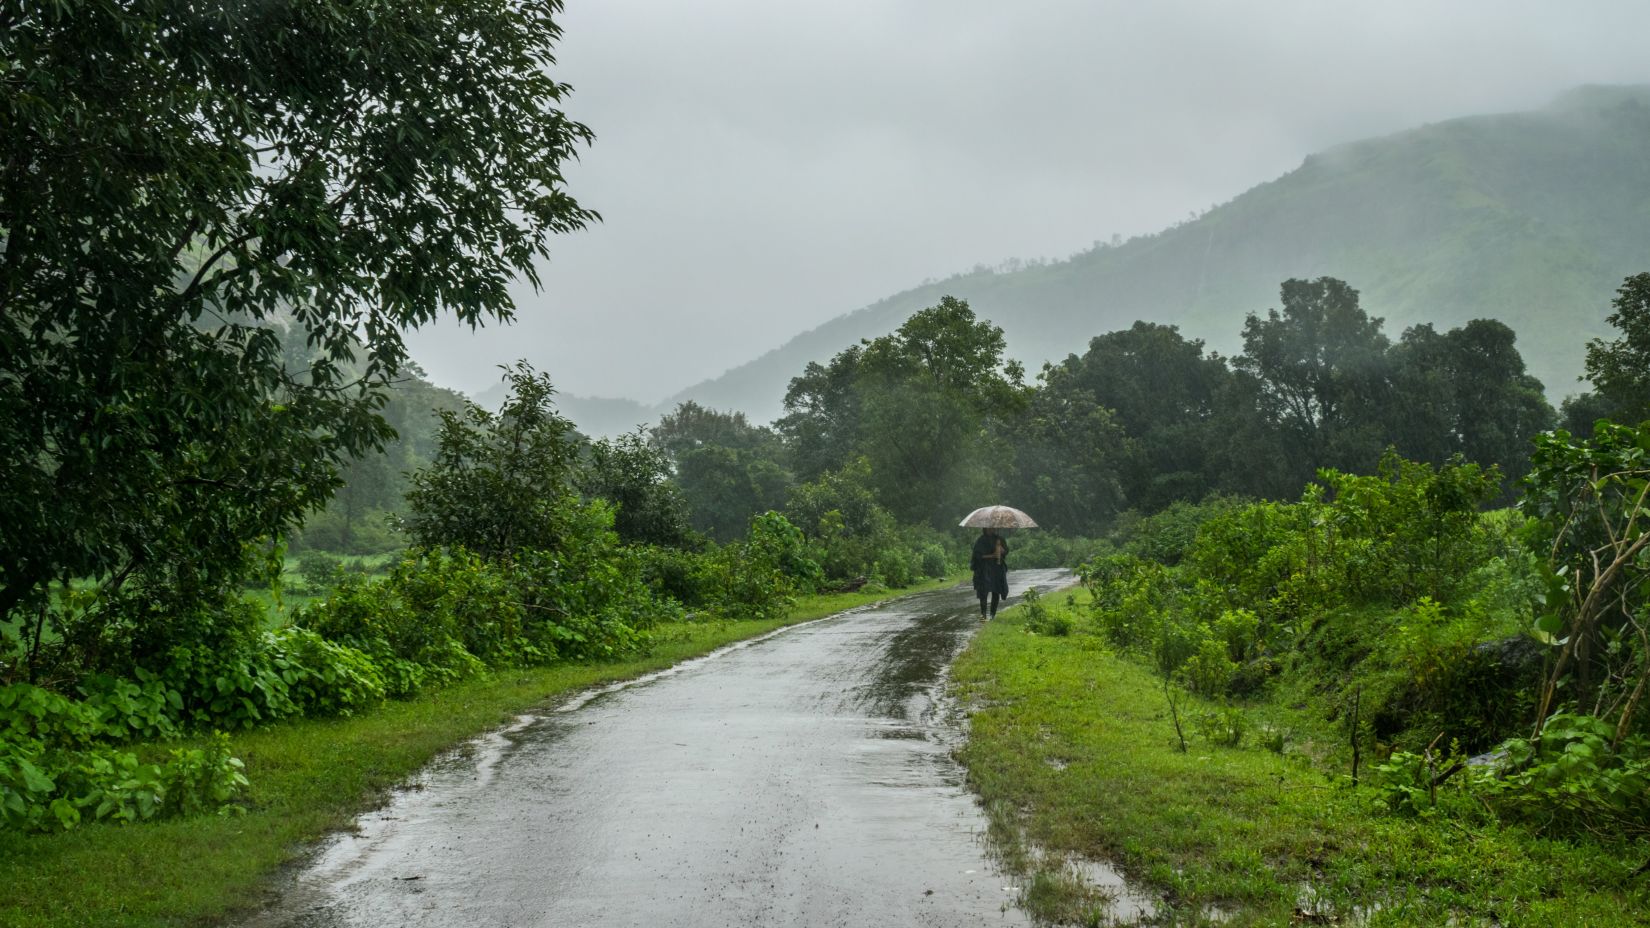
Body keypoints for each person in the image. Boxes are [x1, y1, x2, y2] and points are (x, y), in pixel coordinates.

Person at [970, 527, 1009, 619]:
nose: (992, 529)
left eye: (993, 527)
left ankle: (992, 614)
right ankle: (983, 614)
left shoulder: (1000, 539)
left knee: (996, 591)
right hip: (985, 569)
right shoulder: (981, 540)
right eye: (989, 528)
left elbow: (1006, 551)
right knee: (984, 591)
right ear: (985, 528)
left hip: (997, 568)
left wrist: (1003, 551)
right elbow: (977, 555)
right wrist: (992, 555)